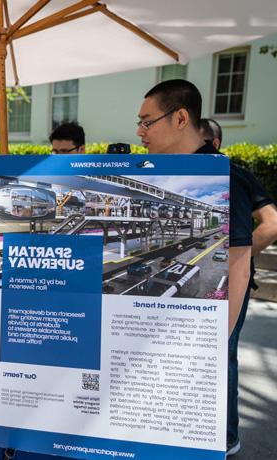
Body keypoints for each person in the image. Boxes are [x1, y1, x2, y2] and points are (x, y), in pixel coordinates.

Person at [137, 79, 277, 457]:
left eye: (147, 121)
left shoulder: (222, 177)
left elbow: (238, 263)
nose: (140, 131)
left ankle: (225, 440)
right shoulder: (163, 172)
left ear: (180, 117)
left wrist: (212, 342)